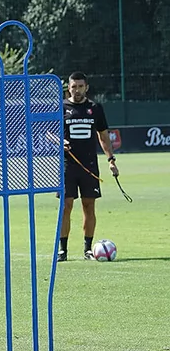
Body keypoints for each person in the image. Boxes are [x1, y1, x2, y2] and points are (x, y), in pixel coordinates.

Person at [58, 71, 118, 261]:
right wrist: (59, 142)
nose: (77, 90)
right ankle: (63, 250)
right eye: (73, 87)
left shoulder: (95, 108)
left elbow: (103, 136)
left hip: (89, 166)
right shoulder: (61, 107)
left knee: (88, 206)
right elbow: (49, 132)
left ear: (86, 88)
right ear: (68, 88)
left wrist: (111, 160)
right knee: (66, 206)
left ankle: (87, 249)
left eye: (80, 86)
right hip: (67, 166)